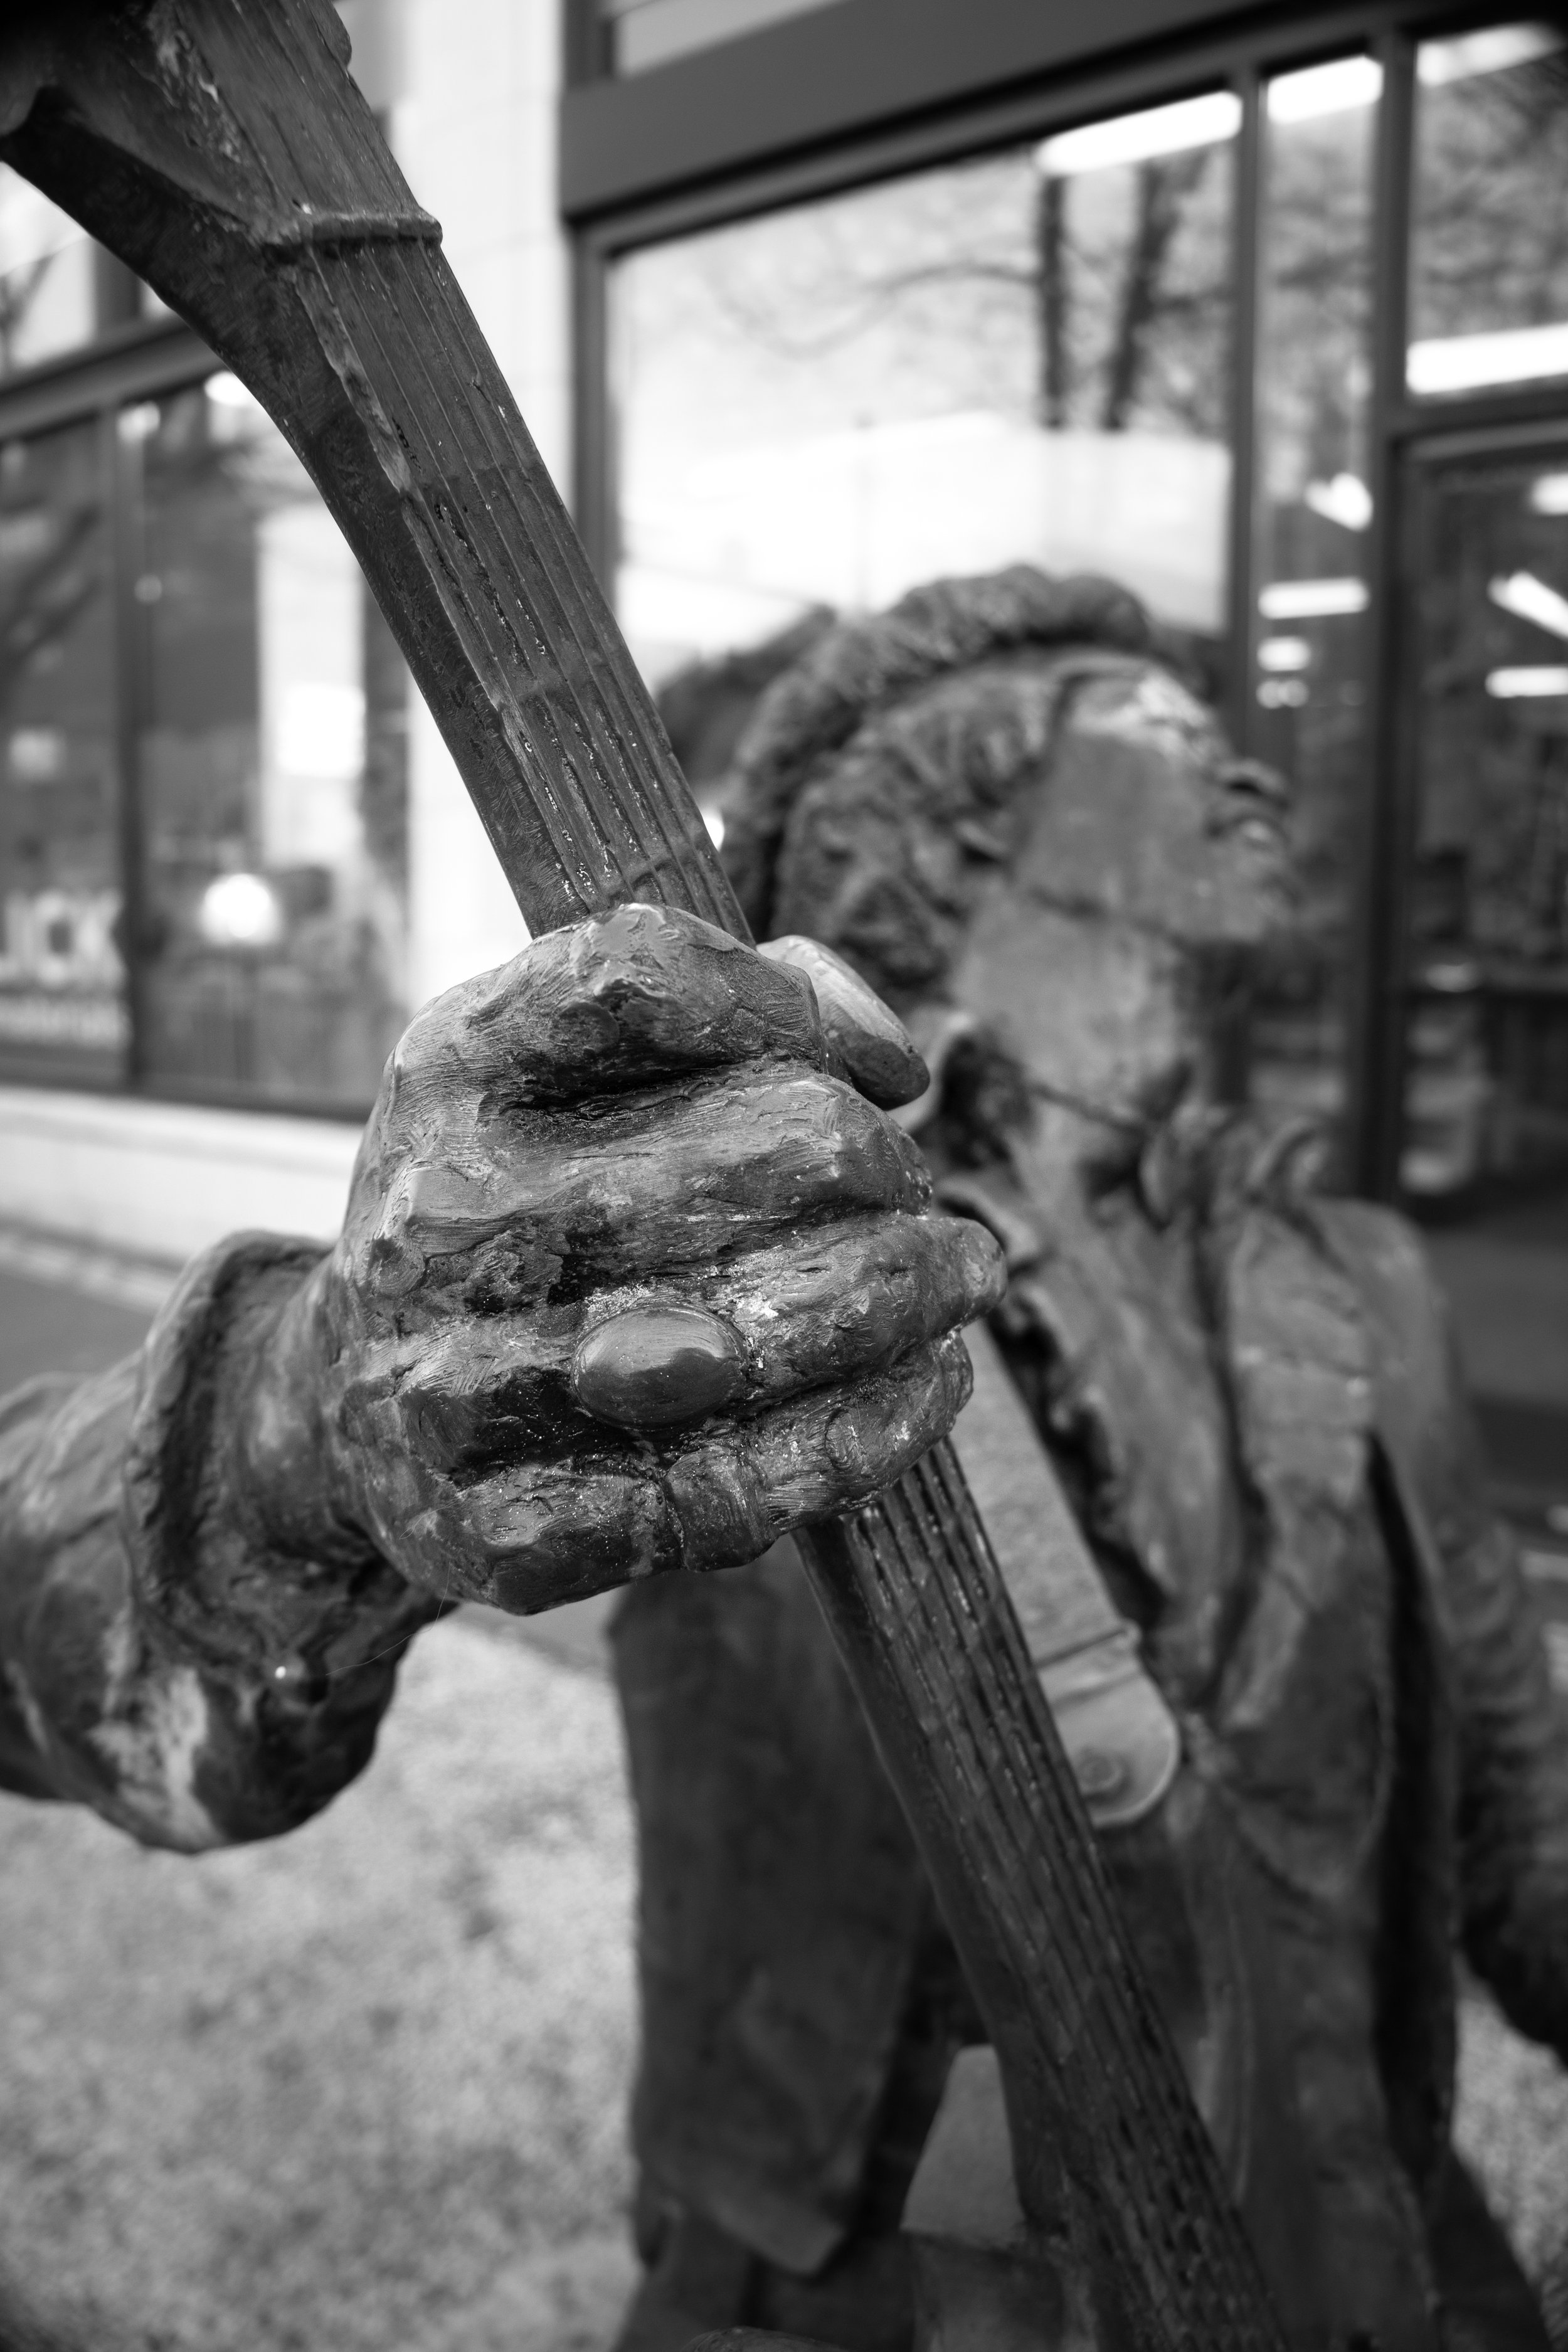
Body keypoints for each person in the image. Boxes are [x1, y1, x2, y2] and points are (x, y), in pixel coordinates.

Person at [607, 568, 1568, 2352]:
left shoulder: (1364, 1282)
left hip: (1361, 2240)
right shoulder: (741, 1267)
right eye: (1156, 734)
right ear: (965, 828)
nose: (1248, 767)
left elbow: (1518, 1801)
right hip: (882, 2286)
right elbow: (425, 1476)